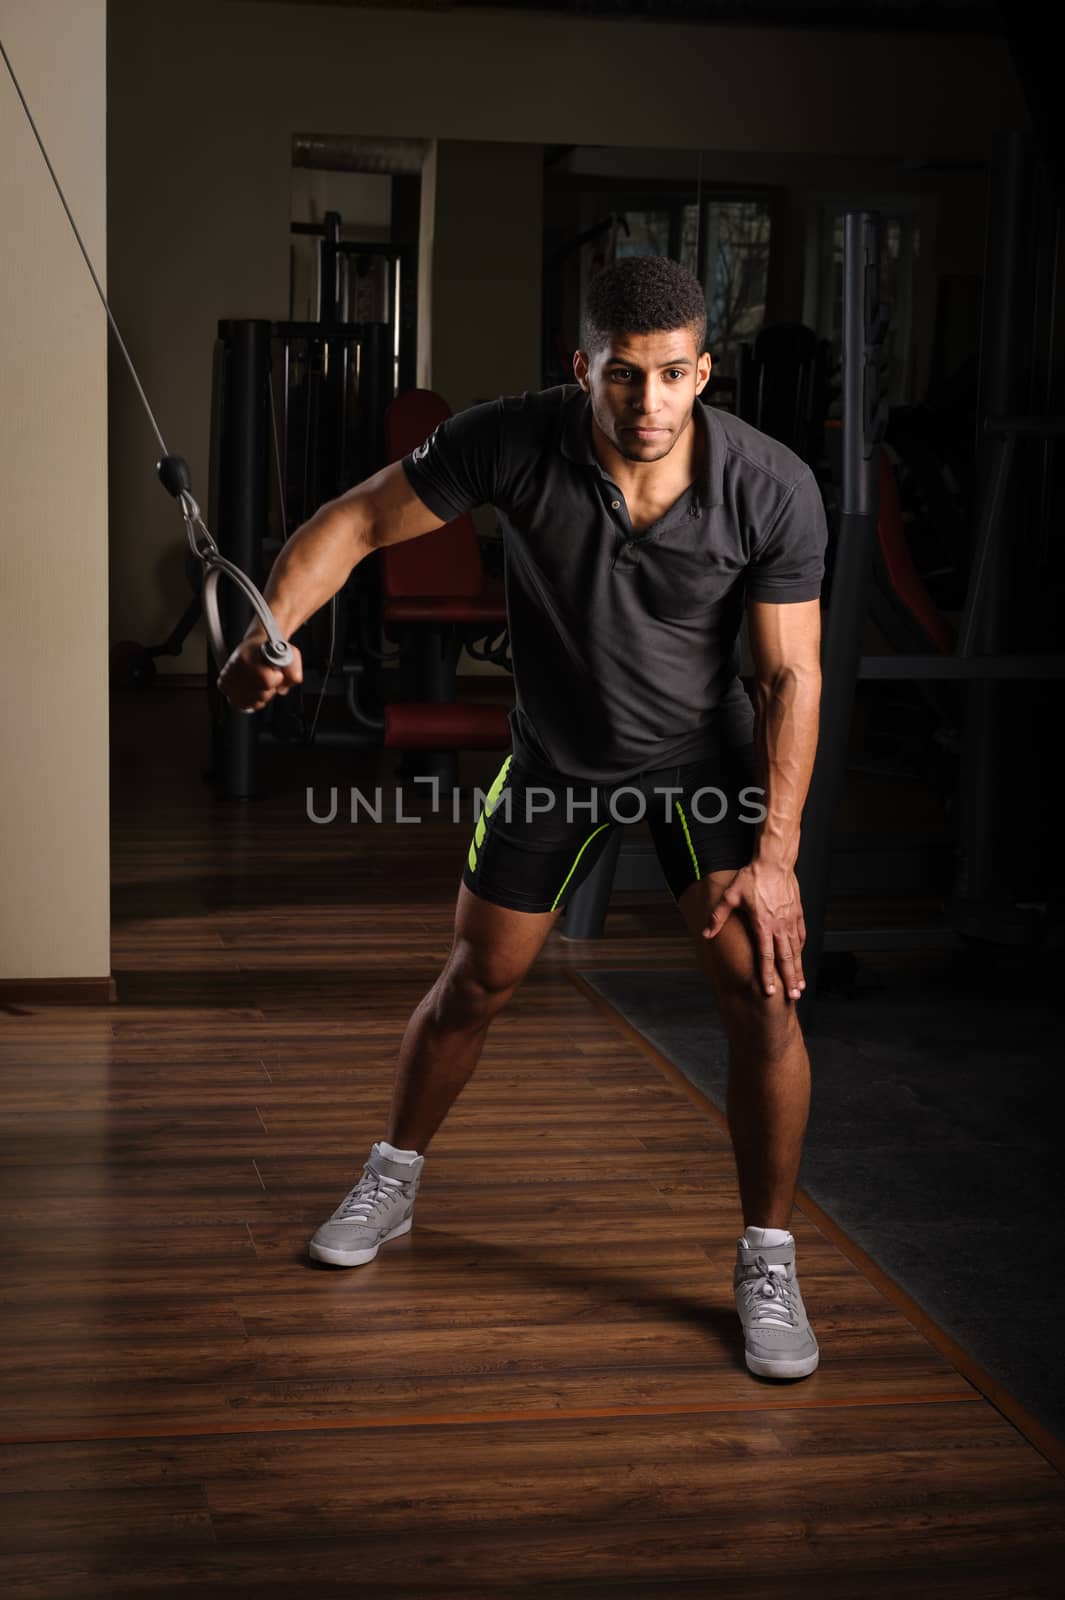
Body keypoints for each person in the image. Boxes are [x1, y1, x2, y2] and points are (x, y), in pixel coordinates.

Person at [219, 256, 828, 1381]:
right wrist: (269, 636)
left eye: (674, 376)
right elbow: (353, 523)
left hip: (703, 760)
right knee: (476, 981)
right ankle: (392, 1178)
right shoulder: (511, 439)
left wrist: (777, 860)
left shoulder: (773, 485)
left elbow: (792, 678)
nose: (648, 405)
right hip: (555, 755)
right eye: (622, 376)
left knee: (764, 990)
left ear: (706, 369)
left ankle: (769, 1255)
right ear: (579, 365)